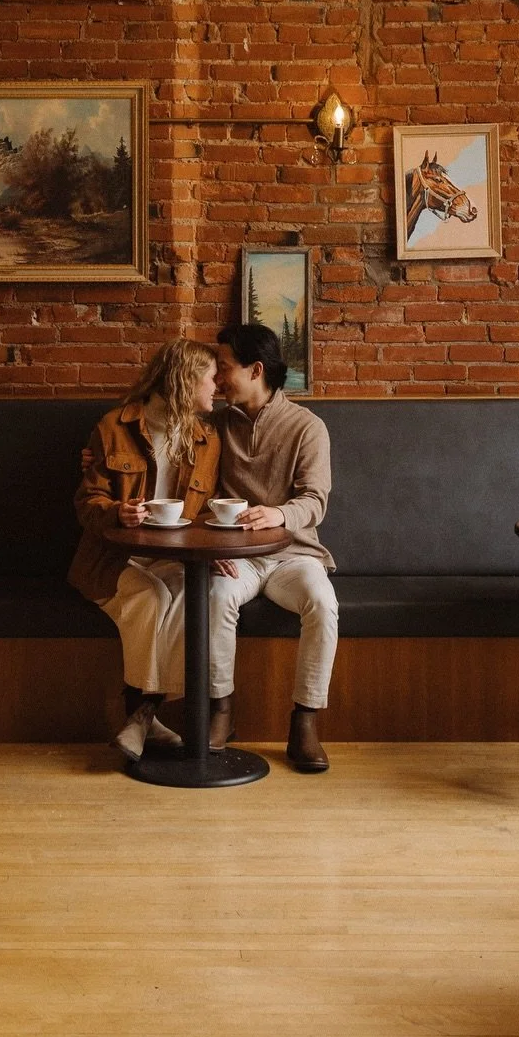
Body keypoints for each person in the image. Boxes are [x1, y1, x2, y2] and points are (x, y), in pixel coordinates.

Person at [69, 338, 221, 762]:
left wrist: (220, 547)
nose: (217, 387)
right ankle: (143, 715)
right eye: (210, 378)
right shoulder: (113, 427)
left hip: (174, 557)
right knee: (152, 595)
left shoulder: (206, 439)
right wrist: (119, 512)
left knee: (195, 596)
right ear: (186, 380)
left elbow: (211, 508)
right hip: (112, 558)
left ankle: (142, 718)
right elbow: (87, 503)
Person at [209, 322, 339, 773]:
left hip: (294, 555)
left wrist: (279, 513)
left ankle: (305, 721)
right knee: (215, 597)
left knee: (323, 602)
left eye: (224, 368)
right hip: (235, 559)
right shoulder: (215, 425)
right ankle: (220, 711)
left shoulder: (308, 428)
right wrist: (97, 456)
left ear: (256, 369)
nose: (218, 378)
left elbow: (315, 500)